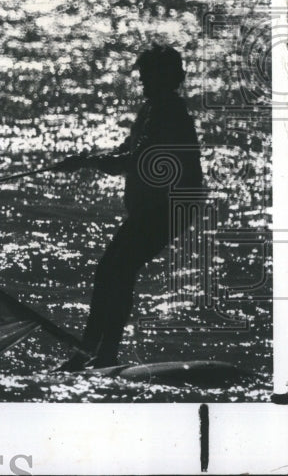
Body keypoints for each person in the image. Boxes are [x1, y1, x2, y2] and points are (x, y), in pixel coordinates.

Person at [53, 43, 203, 370]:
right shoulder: (151, 110)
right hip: (152, 209)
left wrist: (87, 163)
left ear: (168, 78)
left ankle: (94, 352)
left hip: (169, 210)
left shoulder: (170, 114)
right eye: (142, 75)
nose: (143, 82)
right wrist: (84, 159)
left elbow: (138, 160)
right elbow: (128, 148)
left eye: (148, 76)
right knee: (115, 270)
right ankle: (97, 352)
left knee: (114, 269)